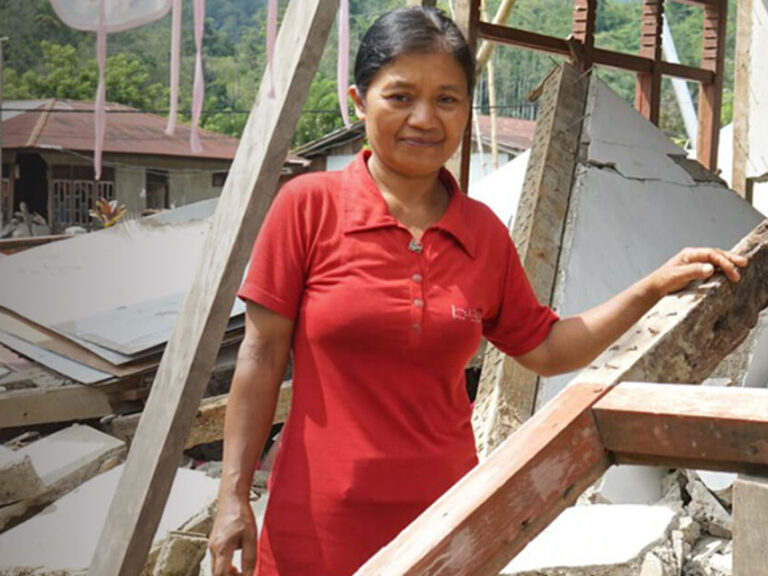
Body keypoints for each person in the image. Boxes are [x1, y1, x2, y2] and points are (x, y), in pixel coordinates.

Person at [208, 7, 747, 576]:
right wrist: (231, 495)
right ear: (359, 99)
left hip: (448, 521)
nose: (424, 118)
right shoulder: (308, 207)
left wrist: (653, 287)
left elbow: (545, 348)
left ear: (466, 108)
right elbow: (262, 355)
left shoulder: (482, 232)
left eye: (447, 99)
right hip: (316, 526)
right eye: (400, 96)